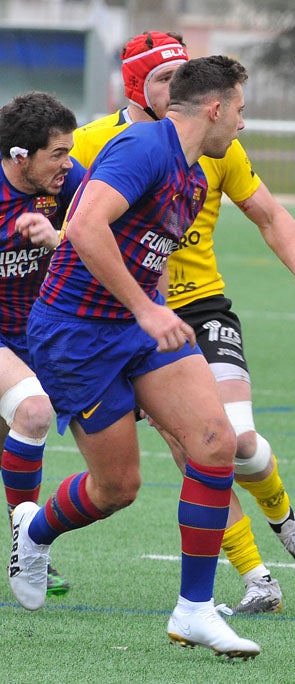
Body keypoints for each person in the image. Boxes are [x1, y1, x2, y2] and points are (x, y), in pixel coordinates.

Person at [72, 31, 295, 615]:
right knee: (196, 449)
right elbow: (58, 210)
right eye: (162, 78)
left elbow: (267, 212)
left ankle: (285, 520)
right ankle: (257, 580)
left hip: (201, 308)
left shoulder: (216, 144)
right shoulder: (97, 143)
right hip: (125, 316)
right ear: (137, 85)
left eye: (181, 76)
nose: (175, 88)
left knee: (239, 441)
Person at [10, 55, 260, 659]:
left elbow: (150, 252)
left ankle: (194, 610)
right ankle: (33, 531)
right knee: (117, 487)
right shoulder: (142, 147)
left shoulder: (196, 175)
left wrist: (156, 312)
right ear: (216, 108)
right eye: (242, 111)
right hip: (75, 334)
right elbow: (89, 225)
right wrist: (147, 311)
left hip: (139, 328)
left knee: (214, 442)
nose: (244, 126)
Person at [0, 92, 86, 598]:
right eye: (57, 153)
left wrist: (60, 233)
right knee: (32, 414)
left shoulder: (66, 185)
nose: (68, 163)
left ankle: (24, 546)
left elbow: (106, 230)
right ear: (19, 157)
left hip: (39, 335)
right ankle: (28, 548)